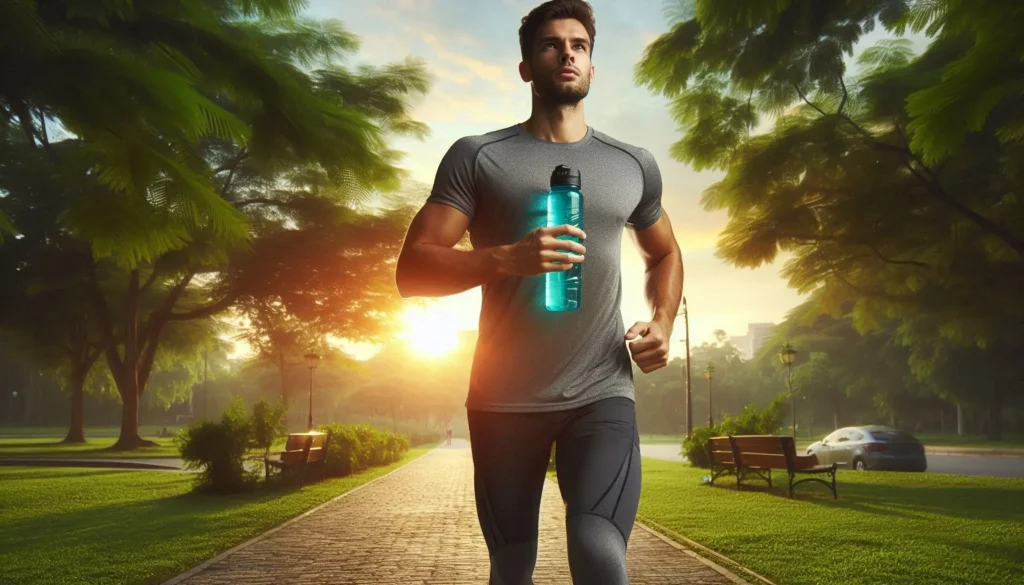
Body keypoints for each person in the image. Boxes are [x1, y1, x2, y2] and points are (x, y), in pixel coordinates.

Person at [394, 1, 683, 583]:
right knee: (511, 567)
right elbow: (413, 271)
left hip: (601, 391)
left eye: (579, 45)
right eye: (552, 44)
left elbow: (665, 252)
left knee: (598, 550)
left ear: (593, 69)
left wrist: (663, 321)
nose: (568, 52)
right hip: (503, 397)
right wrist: (507, 258)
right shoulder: (479, 157)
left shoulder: (634, 164)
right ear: (527, 67)